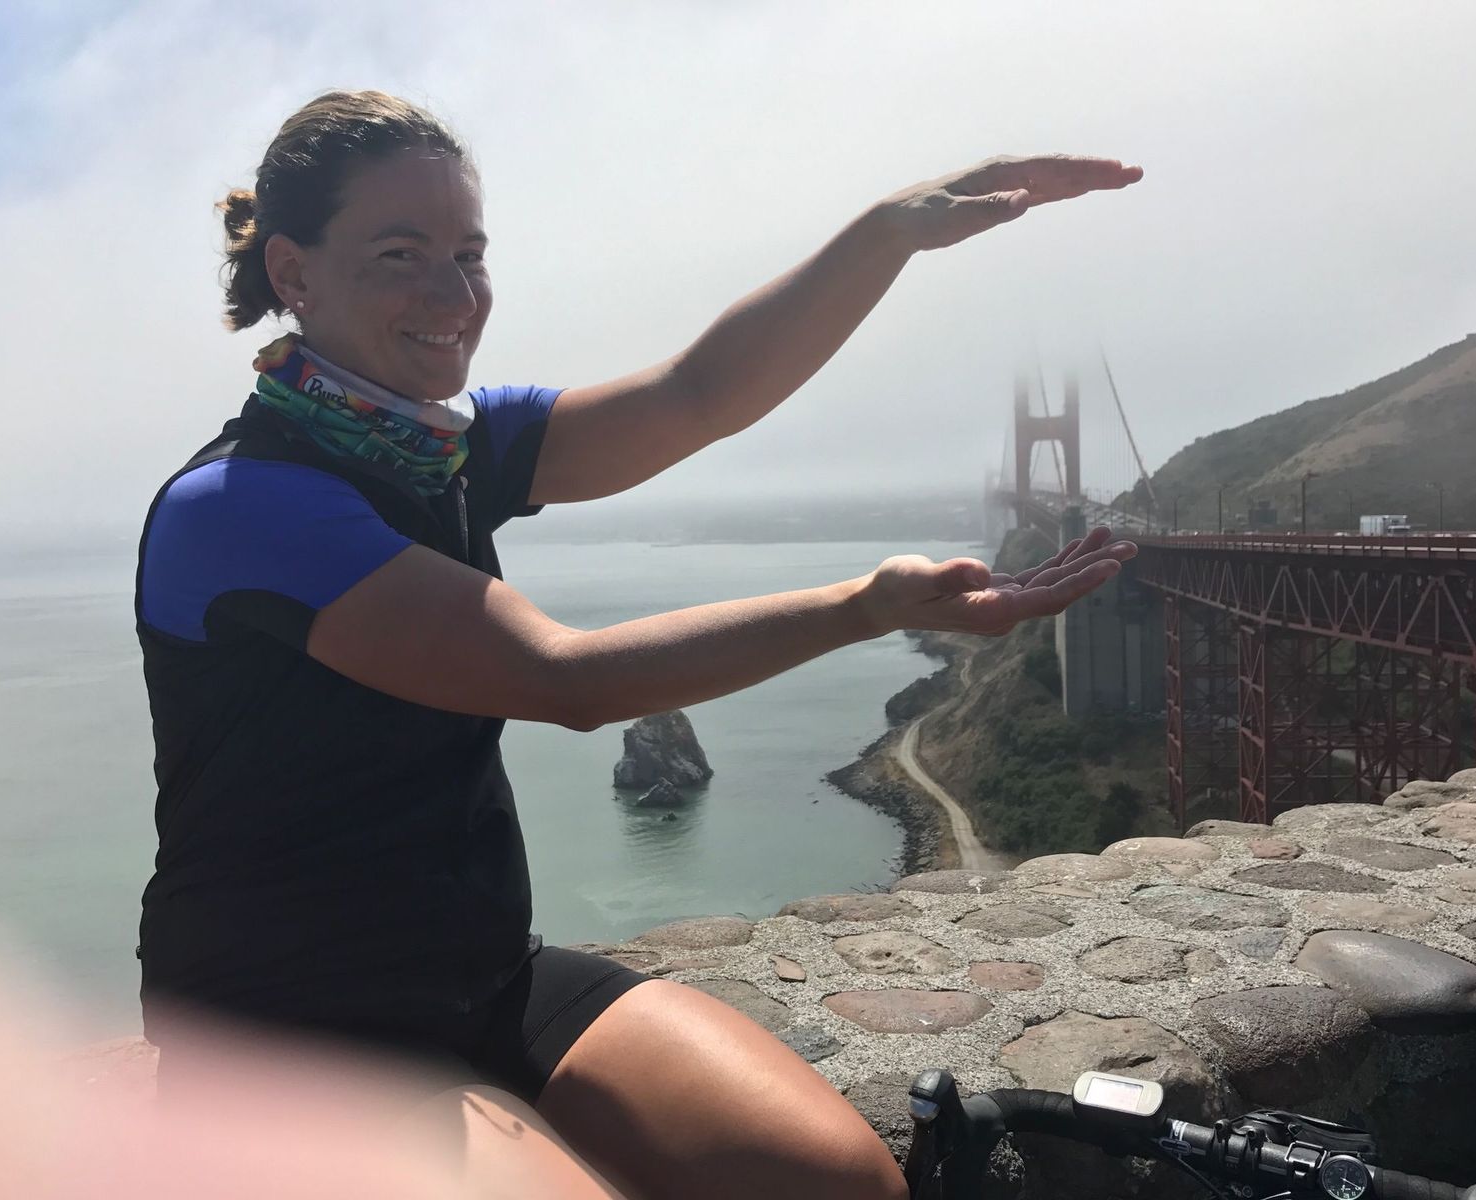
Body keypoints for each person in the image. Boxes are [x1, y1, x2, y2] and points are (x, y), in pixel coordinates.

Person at [134, 89, 1141, 1198]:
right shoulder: (238, 505)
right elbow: (563, 679)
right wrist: (867, 605)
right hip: (287, 1039)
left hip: (483, 982)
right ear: (293, 272)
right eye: (399, 254)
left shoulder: (447, 449)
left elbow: (698, 394)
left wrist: (886, 234)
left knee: (841, 1182)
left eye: (469, 255)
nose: (454, 296)